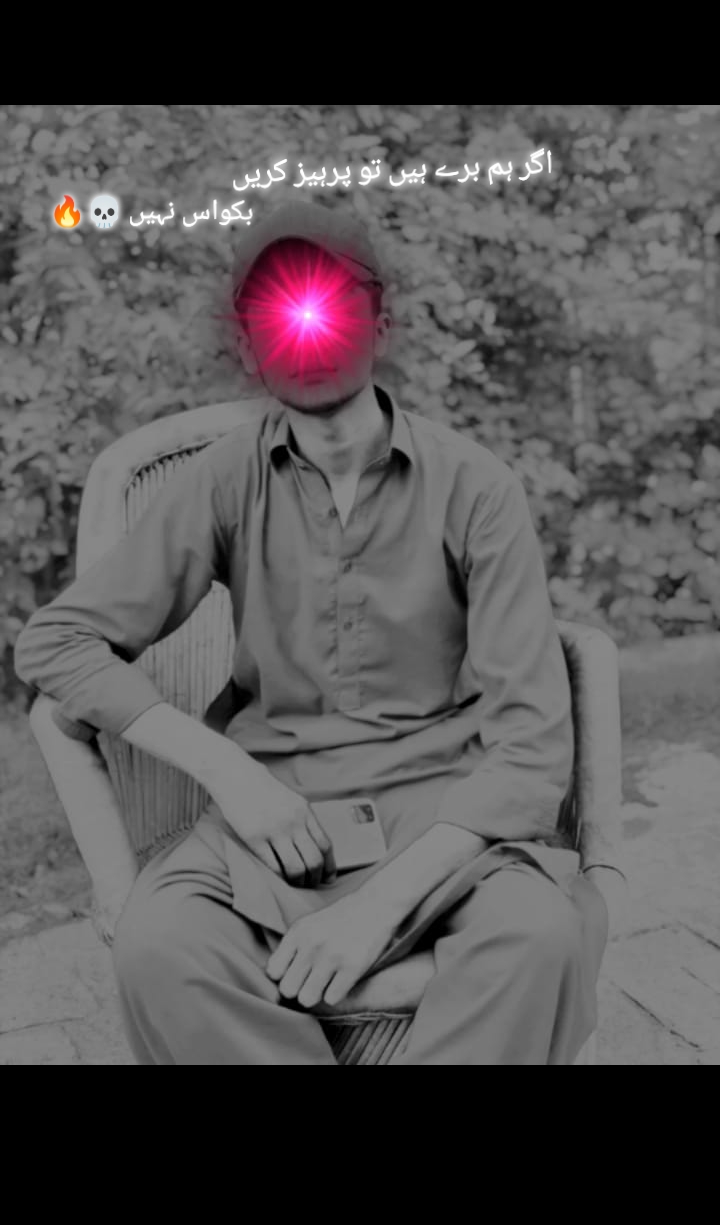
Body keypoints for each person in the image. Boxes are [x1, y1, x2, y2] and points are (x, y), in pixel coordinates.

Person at [14, 201, 623, 1065]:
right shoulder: (224, 480)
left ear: (382, 321)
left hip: (443, 824)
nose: (308, 328)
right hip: (271, 820)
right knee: (160, 951)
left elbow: (531, 750)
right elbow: (56, 643)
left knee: (542, 941)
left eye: (333, 301)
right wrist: (227, 771)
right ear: (247, 345)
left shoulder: (477, 488)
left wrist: (376, 912)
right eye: (279, 312)